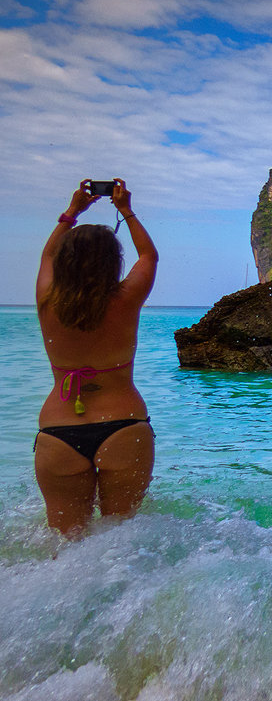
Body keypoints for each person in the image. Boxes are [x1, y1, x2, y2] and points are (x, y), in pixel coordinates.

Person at [35, 178, 158, 536]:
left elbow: (46, 256)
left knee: (65, 547)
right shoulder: (125, 299)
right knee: (121, 541)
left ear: (64, 263)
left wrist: (72, 212)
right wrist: (126, 210)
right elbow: (149, 256)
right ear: (113, 262)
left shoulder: (47, 301)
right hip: (123, 425)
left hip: (58, 431)